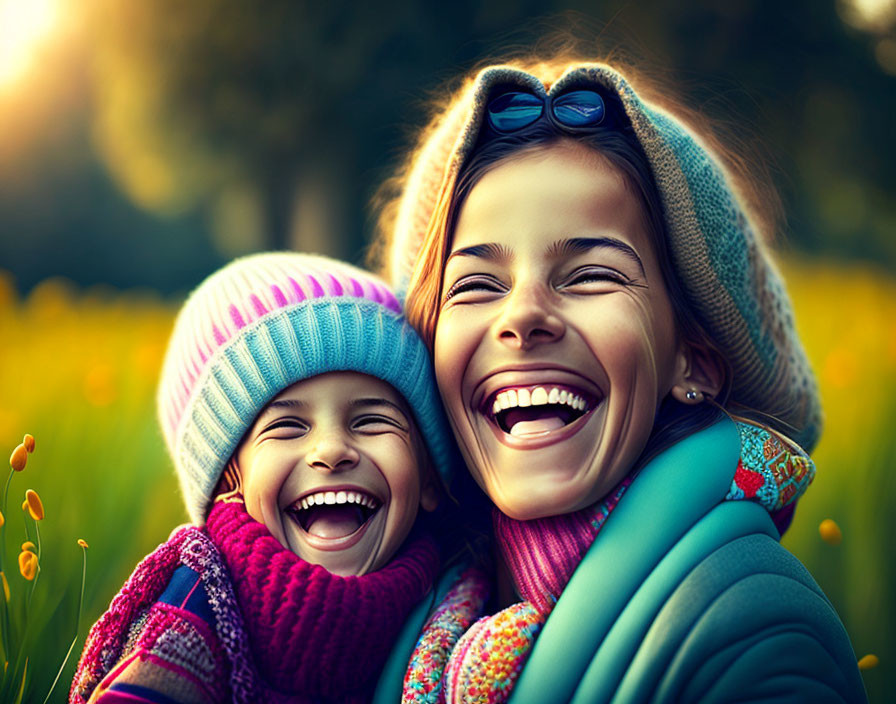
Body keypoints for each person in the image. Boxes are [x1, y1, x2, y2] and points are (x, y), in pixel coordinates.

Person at [376, 55, 868, 702]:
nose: (522, 315)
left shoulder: (755, 633)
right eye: (477, 284)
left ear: (693, 361)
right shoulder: (417, 614)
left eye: (590, 275)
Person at [70, 252, 489, 704]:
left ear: (427, 476)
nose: (331, 450)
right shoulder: (191, 612)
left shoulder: (459, 602)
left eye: (370, 420)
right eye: (287, 427)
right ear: (230, 481)